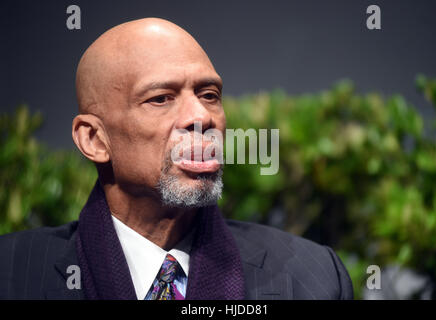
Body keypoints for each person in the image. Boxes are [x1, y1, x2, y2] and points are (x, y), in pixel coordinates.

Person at [0, 18, 353, 300]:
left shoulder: (313, 277)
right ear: (94, 139)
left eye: (209, 94)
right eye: (160, 98)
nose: (200, 116)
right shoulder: (12, 273)